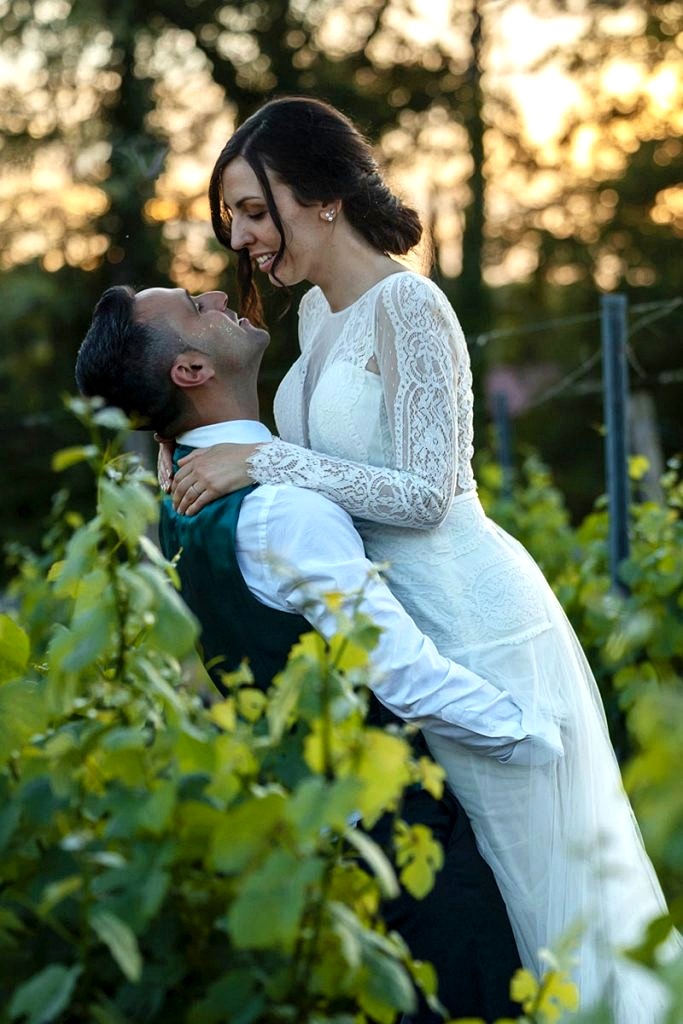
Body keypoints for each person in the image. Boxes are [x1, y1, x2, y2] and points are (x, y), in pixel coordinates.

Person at [161, 96, 680, 1021]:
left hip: (482, 627)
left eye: (250, 209)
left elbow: (427, 492)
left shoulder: (411, 303)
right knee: (485, 901)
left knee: (546, 897)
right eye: (231, 217)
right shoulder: (316, 320)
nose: (239, 238)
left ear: (318, 195)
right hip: (411, 640)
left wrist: (263, 456)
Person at [75, 283, 571, 1021]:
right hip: (405, 837)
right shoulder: (284, 510)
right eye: (194, 306)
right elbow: (397, 671)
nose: (215, 290)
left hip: (318, 833)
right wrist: (532, 736)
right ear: (189, 370)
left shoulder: (183, 498)